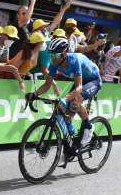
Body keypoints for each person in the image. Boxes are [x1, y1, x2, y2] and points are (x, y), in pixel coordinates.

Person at [25, 38, 102, 167]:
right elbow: (47, 85)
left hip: (93, 80)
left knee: (75, 99)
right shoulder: (54, 64)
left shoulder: (74, 60)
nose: (52, 58)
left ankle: (88, 127)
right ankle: (67, 152)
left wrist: (64, 98)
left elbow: (79, 88)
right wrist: (35, 94)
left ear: (64, 54)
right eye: (51, 55)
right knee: (67, 119)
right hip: (81, 83)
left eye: (55, 55)